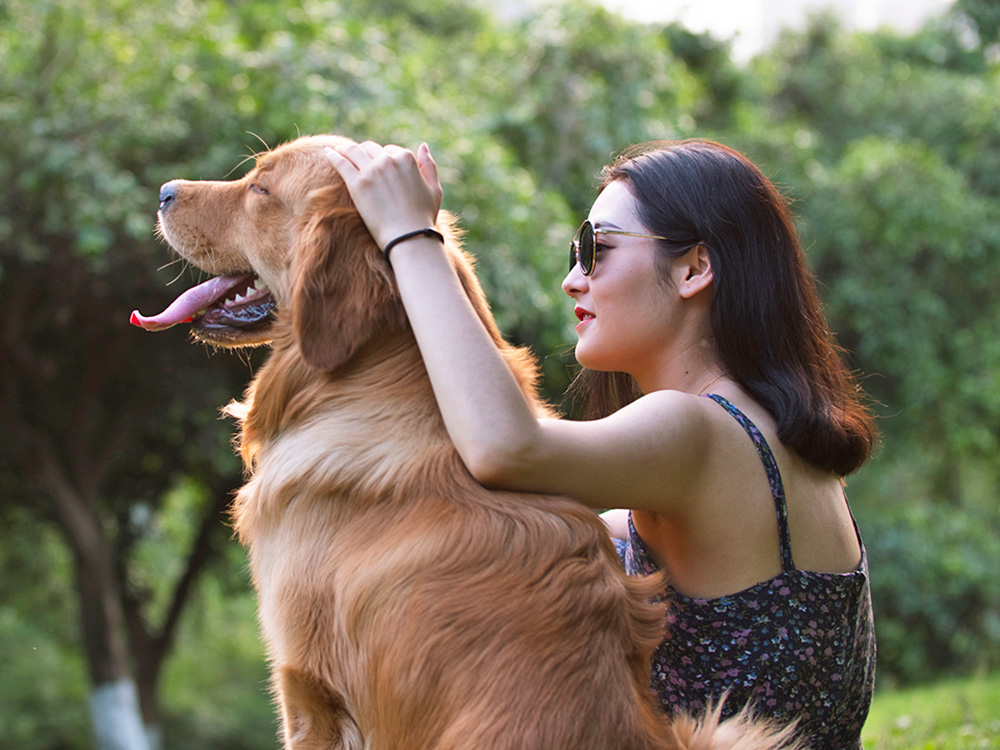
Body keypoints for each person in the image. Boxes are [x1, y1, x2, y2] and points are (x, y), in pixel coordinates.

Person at [326, 138, 877, 749]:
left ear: (695, 268)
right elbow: (569, 521)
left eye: (596, 249)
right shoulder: (776, 433)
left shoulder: (697, 431)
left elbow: (506, 449)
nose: (571, 280)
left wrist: (409, 236)